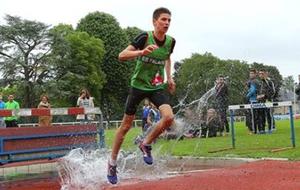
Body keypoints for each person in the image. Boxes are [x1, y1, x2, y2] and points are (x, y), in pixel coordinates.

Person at [107, 7, 176, 184]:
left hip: (155, 87)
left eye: (169, 20)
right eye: (163, 19)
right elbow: (121, 55)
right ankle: (112, 163)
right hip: (137, 86)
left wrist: (169, 77)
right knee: (125, 127)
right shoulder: (144, 37)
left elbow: (167, 57)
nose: (167, 23)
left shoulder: (171, 41)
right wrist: (141, 52)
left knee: (168, 117)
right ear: (154, 22)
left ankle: (145, 144)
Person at [245, 69, 260, 134]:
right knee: (253, 116)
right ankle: (253, 130)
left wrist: (247, 96)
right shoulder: (251, 81)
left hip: (253, 100)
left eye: (252, 73)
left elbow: (253, 90)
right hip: (254, 100)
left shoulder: (254, 81)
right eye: (250, 73)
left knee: (252, 117)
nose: (251, 75)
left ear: (255, 74)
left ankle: (253, 130)